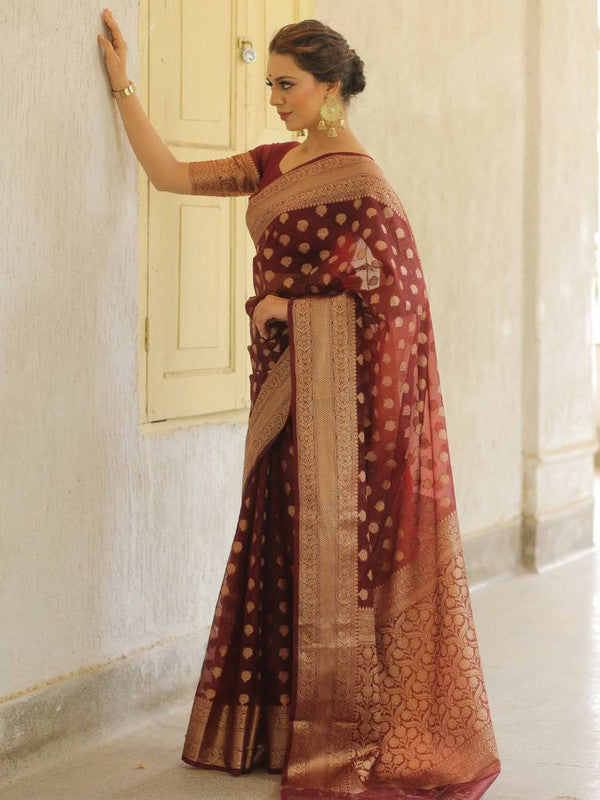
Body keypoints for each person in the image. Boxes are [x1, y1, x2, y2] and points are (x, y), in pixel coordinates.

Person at [99, 9, 502, 799]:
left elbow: (397, 306)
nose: (275, 100)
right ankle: (284, 728)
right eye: (271, 86)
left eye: (287, 86)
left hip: (345, 412)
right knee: (281, 541)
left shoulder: (365, 186)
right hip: (285, 394)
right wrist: (123, 86)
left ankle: (349, 730)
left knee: (338, 561)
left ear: (331, 87)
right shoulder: (271, 165)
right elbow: (170, 175)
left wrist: (289, 308)